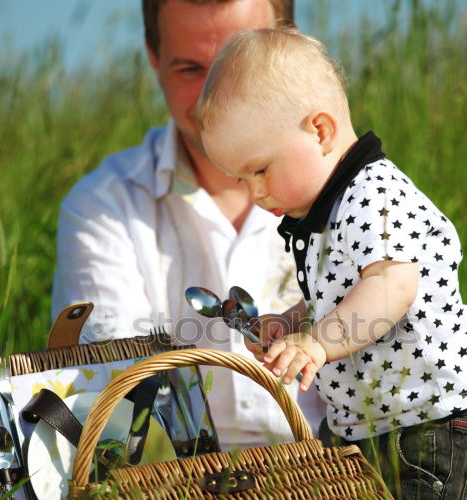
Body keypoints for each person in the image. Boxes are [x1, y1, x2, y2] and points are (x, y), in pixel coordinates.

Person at [197, 27, 467, 500]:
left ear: (319, 130)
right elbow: (339, 296)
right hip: (375, 424)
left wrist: (317, 343)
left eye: (260, 170)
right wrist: (292, 322)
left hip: (435, 425)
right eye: (242, 180)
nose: (255, 194)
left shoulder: (374, 195)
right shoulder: (327, 211)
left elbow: (389, 289)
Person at [50, 0, 325, 448]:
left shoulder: (353, 198)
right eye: (189, 70)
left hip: (340, 490)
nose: (215, 97)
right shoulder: (101, 208)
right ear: (154, 61)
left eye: (237, 64)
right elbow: (121, 405)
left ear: (288, 46)